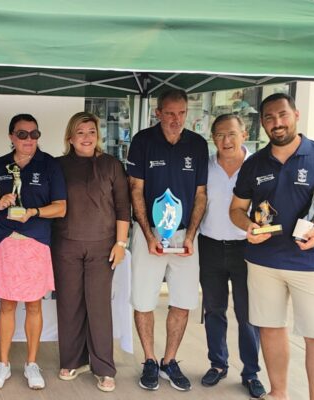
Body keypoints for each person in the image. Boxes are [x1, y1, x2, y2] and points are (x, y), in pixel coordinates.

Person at [230, 93, 314, 400]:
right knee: (270, 329)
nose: (277, 123)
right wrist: (248, 226)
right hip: (263, 262)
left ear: (296, 115)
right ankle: (279, 393)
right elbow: (236, 209)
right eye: (269, 118)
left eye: (283, 115)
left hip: (311, 261)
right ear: (262, 123)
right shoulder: (254, 163)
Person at [127, 88, 208, 392]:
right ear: (158, 113)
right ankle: (149, 360)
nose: (176, 119)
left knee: (183, 301)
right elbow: (135, 190)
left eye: (182, 113)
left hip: (185, 236)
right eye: (170, 113)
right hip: (149, 233)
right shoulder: (143, 141)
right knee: (143, 300)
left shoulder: (198, 144)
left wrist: (191, 236)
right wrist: (148, 235)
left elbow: (201, 194)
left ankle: (169, 361)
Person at [0, 114, 67, 391]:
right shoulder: (0, 164)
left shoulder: (49, 164)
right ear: (11, 137)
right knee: (6, 304)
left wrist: (34, 212)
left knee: (33, 305)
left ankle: (31, 363)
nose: (29, 139)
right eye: (22, 134)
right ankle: (3, 364)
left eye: (34, 134)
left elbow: (61, 208)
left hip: (36, 242)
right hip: (7, 241)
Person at [52, 112, 130, 392]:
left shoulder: (111, 165)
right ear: (70, 137)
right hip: (66, 244)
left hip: (103, 247)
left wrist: (121, 244)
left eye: (92, 132)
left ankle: (104, 368)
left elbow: (123, 207)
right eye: (81, 132)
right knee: (69, 305)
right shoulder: (58, 165)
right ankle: (72, 360)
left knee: (98, 307)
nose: (87, 137)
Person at [197, 114, 266, 398]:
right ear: (213, 138)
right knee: (214, 309)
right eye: (220, 135)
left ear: (244, 134)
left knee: (247, 313)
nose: (226, 140)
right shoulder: (205, 166)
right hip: (210, 246)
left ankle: (250, 372)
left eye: (232, 134)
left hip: (245, 248)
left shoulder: (258, 166)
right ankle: (218, 364)